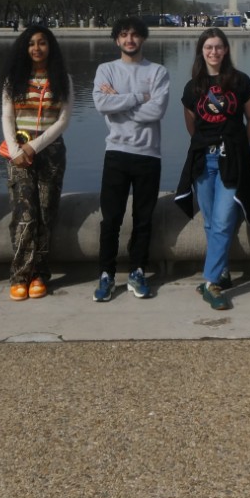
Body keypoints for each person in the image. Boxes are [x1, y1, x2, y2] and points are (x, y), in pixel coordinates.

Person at [174, 28, 250, 311]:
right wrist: (205, 143)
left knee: (224, 220)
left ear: (226, 50)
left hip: (231, 159)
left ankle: (210, 282)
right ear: (201, 51)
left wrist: (239, 146)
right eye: (209, 47)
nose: (214, 52)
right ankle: (222, 273)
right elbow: (190, 124)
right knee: (211, 222)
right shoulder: (192, 87)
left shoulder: (240, 81)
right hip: (204, 161)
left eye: (219, 47)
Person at [92, 16, 170, 303]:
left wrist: (120, 103)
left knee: (143, 218)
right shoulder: (106, 69)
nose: (129, 40)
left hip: (148, 153)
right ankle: (106, 274)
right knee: (110, 218)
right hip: (116, 152)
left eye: (135, 35)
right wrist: (139, 96)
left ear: (143, 39)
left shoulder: (158, 71)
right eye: (124, 35)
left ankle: (138, 270)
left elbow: (156, 112)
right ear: (116, 40)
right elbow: (101, 104)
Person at [0, 25, 72, 302]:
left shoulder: (62, 79)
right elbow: (6, 118)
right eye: (31, 43)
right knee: (24, 214)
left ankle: (40, 274)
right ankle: (20, 275)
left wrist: (35, 145)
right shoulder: (13, 79)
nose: (37, 48)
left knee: (46, 212)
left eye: (42, 43)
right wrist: (18, 149)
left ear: (50, 47)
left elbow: (63, 121)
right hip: (17, 152)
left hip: (50, 152)